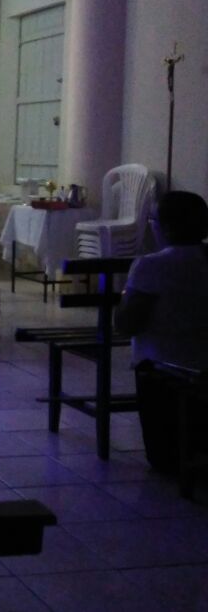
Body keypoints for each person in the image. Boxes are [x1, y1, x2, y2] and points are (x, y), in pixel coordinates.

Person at [115, 190, 208, 473]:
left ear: (164, 227)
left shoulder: (152, 265)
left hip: (163, 365)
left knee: (165, 458)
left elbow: (127, 324)